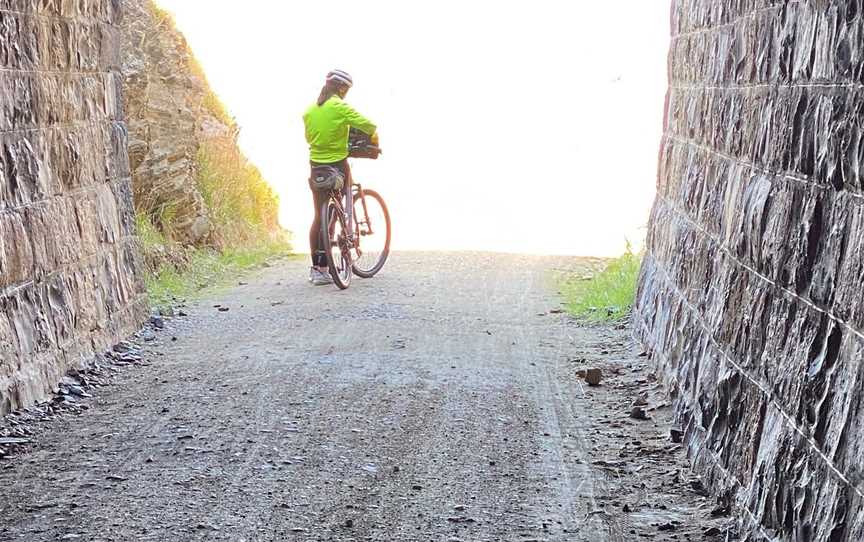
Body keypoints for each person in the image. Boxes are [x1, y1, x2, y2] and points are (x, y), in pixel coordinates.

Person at [303, 69, 379, 285]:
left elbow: (310, 137)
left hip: (316, 165)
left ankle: (318, 269)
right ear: (343, 88)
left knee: (319, 215)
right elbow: (369, 125)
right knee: (335, 213)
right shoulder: (340, 106)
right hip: (338, 164)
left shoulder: (310, 110)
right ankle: (342, 240)